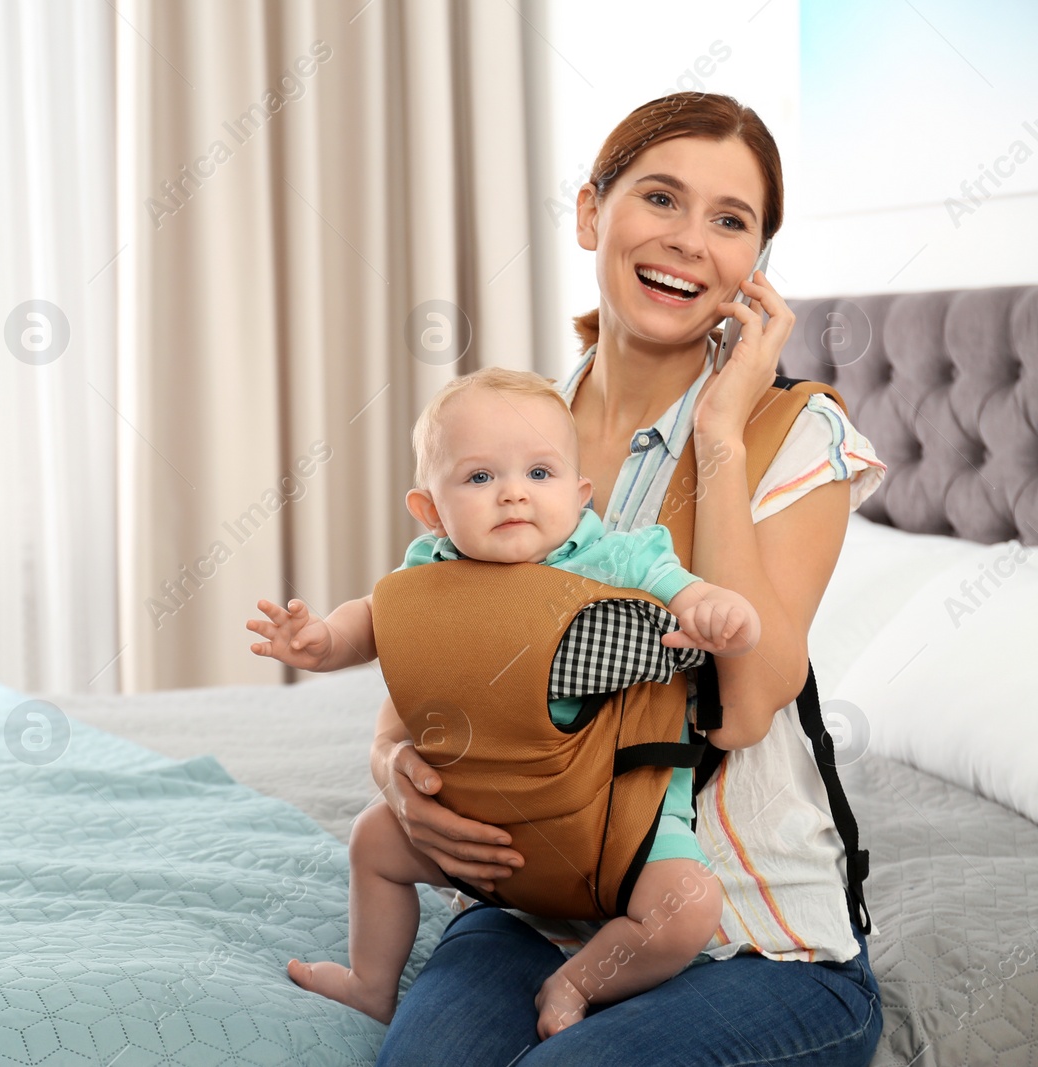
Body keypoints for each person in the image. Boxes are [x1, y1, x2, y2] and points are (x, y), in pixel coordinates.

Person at [363, 92, 888, 1065]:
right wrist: (393, 764)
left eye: (730, 221)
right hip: (542, 902)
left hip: (751, 943)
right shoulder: (522, 426)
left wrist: (721, 434)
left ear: (754, 267)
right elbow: (436, 624)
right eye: (660, 198)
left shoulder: (793, 432)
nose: (691, 241)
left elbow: (744, 703)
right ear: (589, 214)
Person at [245, 366, 763, 1035]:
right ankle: (373, 983)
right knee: (373, 839)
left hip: (615, 823)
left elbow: (689, 592)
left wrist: (724, 615)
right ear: (431, 509)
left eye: (539, 474)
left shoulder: (612, 558)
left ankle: (576, 981)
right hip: (482, 830)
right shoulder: (430, 570)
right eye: (480, 477)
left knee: (687, 907)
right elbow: (375, 619)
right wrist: (320, 641)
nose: (513, 493)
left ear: (580, 495)